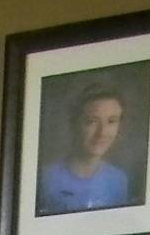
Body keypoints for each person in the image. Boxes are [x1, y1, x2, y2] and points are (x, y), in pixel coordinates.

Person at [37, 84, 130, 214]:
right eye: (91, 121)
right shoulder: (45, 179)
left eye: (111, 121)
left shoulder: (119, 180)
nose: (102, 133)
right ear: (75, 123)